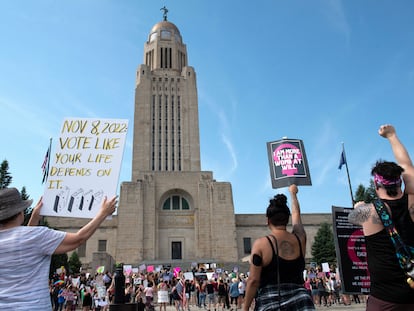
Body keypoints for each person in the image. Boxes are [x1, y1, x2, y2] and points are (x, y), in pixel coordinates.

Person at [0, 187, 117, 310]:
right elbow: (79, 238)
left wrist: (34, 218)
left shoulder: (29, 238)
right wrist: (103, 213)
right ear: (20, 212)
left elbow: (25, 245)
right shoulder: (36, 236)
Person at [348, 124, 414, 310]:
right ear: (400, 182)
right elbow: (407, 166)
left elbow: (352, 217)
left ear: (376, 186)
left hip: (385, 299)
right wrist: (392, 136)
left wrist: (359, 206)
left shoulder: (368, 212)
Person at [243, 184, 315, 311]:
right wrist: (293, 194)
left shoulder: (261, 244)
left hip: (271, 301)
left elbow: (253, 280)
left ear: (268, 220)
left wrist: (245, 308)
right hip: (302, 301)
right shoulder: (300, 238)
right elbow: (296, 214)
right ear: (287, 219)